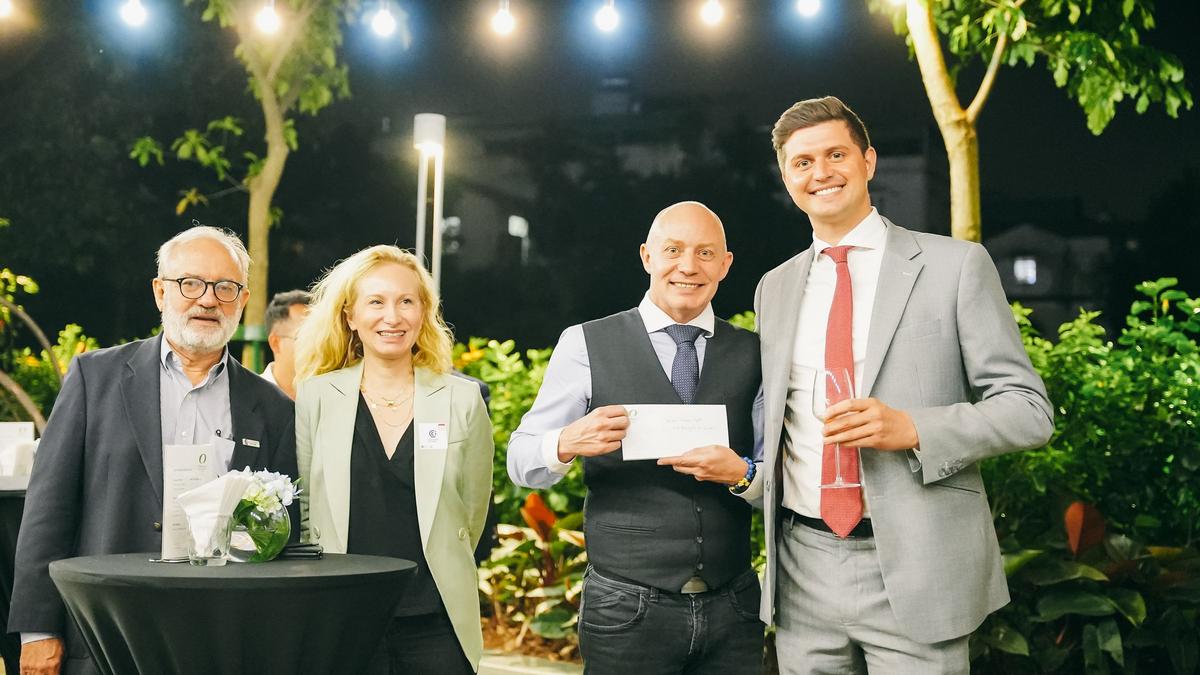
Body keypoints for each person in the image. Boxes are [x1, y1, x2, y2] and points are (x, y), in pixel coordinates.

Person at [747, 96, 1053, 674]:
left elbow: (1029, 410)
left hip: (920, 567)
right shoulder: (774, 287)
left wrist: (914, 428)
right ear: (786, 178)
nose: (820, 172)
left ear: (868, 161)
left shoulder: (955, 266)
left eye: (836, 154)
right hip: (801, 567)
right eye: (802, 162)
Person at [9, 225, 298, 675]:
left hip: (219, 639)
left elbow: (279, 534)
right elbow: (48, 509)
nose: (208, 299)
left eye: (225, 287)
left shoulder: (273, 408)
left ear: (242, 300)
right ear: (160, 292)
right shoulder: (94, 379)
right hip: (105, 630)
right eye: (190, 283)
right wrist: (37, 629)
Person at [508, 201, 765, 675]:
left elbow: (781, 478)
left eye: (706, 253)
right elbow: (521, 461)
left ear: (725, 264)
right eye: (674, 250)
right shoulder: (585, 343)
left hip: (734, 608)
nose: (689, 266)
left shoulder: (753, 352)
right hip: (625, 608)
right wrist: (567, 441)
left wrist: (743, 474)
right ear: (647, 256)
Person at [293, 245, 493, 675]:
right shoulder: (317, 396)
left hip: (436, 621)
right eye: (376, 302)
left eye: (406, 301)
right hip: (345, 616)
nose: (393, 316)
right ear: (350, 315)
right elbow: (307, 508)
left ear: (423, 313)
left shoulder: (463, 399)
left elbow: (472, 512)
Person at [261, 289, 312, 399]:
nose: (316, 345)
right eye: (305, 336)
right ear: (275, 343)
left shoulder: (330, 397)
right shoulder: (248, 396)